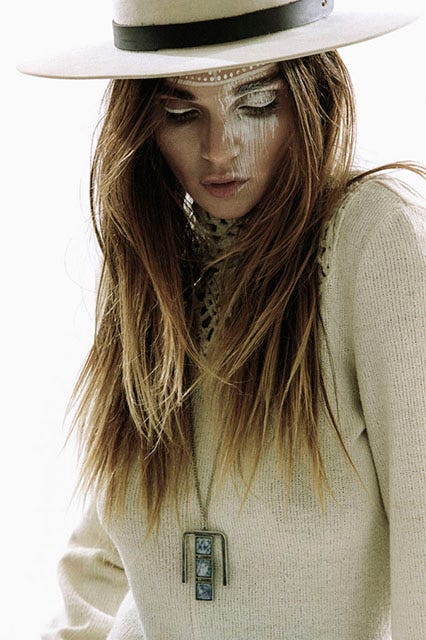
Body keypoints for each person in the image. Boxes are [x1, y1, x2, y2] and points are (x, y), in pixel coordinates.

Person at [18, 1, 426, 638]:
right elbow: (98, 562)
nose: (219, 149)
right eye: (181, 113)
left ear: (311, 94)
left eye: (256, 102)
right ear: (142, 122)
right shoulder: (151, 271)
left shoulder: (372, 240)